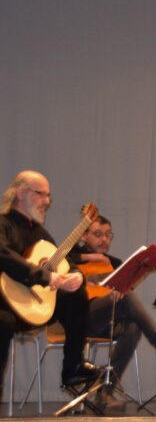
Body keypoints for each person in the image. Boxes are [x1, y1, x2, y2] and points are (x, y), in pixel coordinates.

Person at [68, 214, 156, 411]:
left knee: (134, 326)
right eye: (97, 234)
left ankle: (105, 393)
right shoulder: (72, 256)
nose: (104, 239)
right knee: (127, 296)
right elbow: (58, 259)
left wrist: (148, 268)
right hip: (81, 318)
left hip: (107, 321)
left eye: (108, 235)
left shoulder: (114, 263)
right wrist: (91, 257)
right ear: (84, 236)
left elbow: (126, 290)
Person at [0, 170, 100, 398]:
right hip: (5, 306)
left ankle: (73, 367)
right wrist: (45, 277)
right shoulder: (2, 224)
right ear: (20, 193)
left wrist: (76, 276)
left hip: (36, 309)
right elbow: (3, 254)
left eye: (49, 196)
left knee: (76, 293)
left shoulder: (40, 233)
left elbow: (63, 261)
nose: (47, 201)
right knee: (2, 321)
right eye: (41, 194)